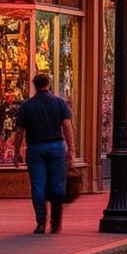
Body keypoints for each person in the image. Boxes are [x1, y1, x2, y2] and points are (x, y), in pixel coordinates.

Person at [12, 73, 74, 231]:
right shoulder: (59, 103)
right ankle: (55, 222)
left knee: (38, 185)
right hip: (56, 146)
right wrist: (71, 149)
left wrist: (16, 150)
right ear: (48, 84)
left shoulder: (27, 106)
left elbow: (20, 132)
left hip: (35, 148)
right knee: (57, 185)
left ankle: (41, 222)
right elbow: (67, 127)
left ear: (34, 86)